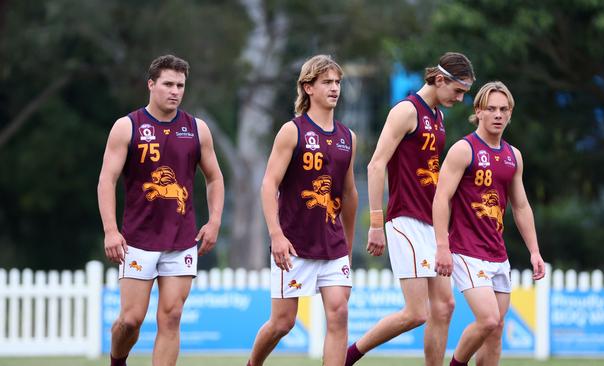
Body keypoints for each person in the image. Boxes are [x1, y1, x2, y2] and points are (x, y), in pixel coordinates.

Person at [345, 52, 475, 366]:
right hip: (405, 220)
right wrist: (376, 223)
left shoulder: (438, 116)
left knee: (445, 308)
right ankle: (348, 357)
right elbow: (376, 165)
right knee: (417, 313)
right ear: (440, 79)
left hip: (432, 223)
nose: (460, 99)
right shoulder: (406, 111)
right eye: (458, 91)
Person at [97, 54, 225, 366]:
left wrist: (214, 222)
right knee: (131, 320)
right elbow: (106, 180)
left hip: (182, 241)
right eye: (168, 84)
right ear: (151, 85)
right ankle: (118, 361)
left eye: (180, 85)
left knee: (172, 317)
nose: (175, 91)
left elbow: (215, 178)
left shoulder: (197, 129)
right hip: (137, 240)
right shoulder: (127, 127)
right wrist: (111, 231)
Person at [247, 54, 358, 366]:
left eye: (337, 82)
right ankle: (253, 363)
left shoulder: (348, 137)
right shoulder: (292, 131)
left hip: (333, 244)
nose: (335, 88)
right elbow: (269, 185)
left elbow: (349, 195)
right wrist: (276, 235)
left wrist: (347, 245)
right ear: (308, 87)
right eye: (327, 82)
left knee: (339, 312)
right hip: (294, 243)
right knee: (283, 323)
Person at [432, 81, 545, 366]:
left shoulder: (513, 156)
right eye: (491, 109)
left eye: (503, 109)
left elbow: (520, 206)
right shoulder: (463, 150)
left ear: (510, 114)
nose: (498, 114)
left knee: (496, 331)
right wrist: (442, 246)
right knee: (488, 318)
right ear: (478, 112)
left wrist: (534, 251)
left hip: (498, 255)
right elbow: (441, 198)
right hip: (466, 252)